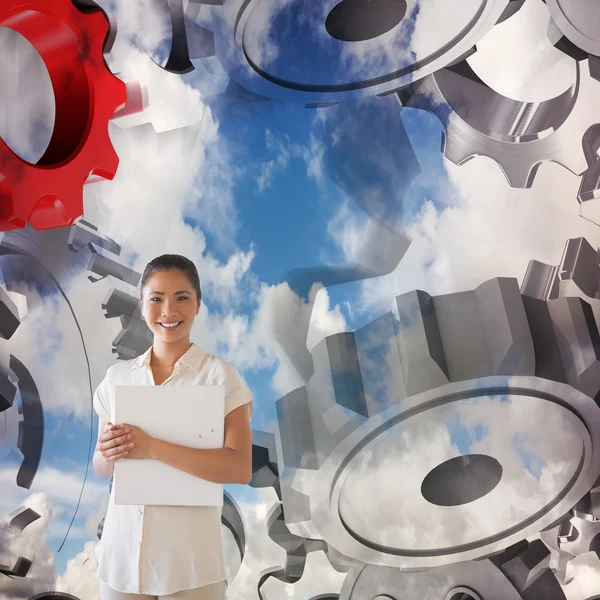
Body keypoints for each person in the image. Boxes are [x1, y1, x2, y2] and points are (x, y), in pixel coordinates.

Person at [92, 254, 252, 600]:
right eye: (156, 298)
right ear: (142, 304)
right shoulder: (117, 379)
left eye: (182, 298)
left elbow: (239, 468)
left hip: (192, 568)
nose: (168, 311)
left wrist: (152, 447)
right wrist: (107, 450)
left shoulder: (221, 377)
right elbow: (103, 469)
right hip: (121, 563)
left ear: (198, 304)